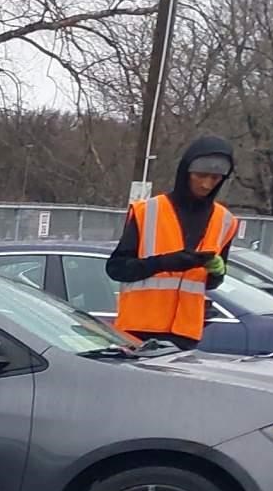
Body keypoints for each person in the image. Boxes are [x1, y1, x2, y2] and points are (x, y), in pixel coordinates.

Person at [104, 135, 242, 349]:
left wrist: (217, 271)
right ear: (186, 172)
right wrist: (164, 262)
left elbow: (211, 283)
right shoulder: (147, 211)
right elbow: (117, 269)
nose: (207, 184)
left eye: (215, 178)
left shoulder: (225, 221)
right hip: (138, 330)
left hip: (185, 333)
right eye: (200, 175)